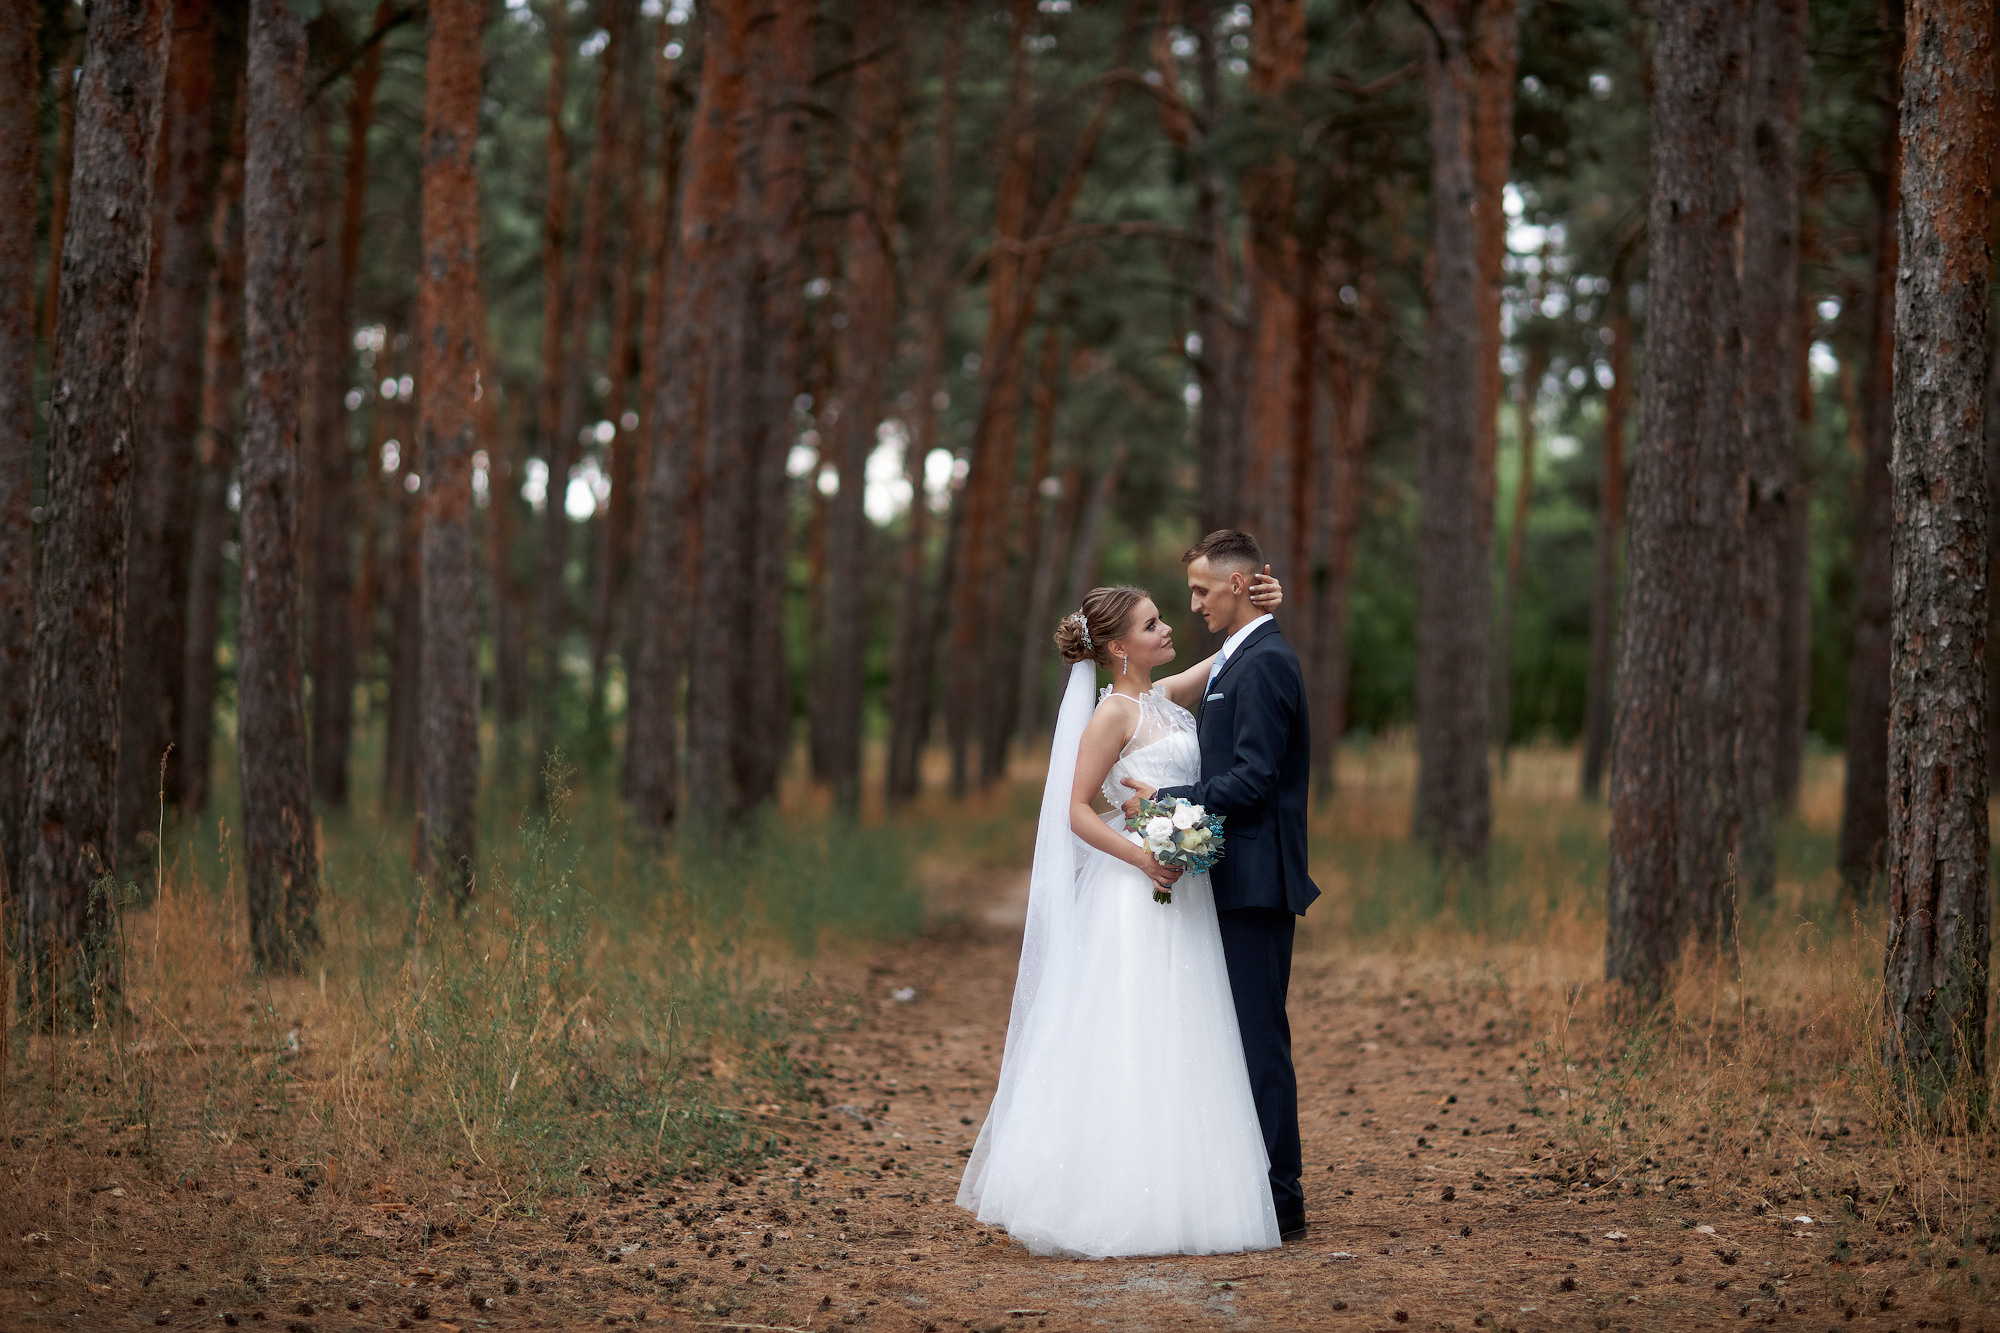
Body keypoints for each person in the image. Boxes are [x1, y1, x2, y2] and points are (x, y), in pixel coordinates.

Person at [956, 570, 1287, 1259]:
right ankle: (1113, 1193)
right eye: (1151, 625)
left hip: (1182, 883)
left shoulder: (1163, 699)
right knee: (1134, 1028)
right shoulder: (1113, 714)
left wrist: (1261, 606)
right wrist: (1142, 855)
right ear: (1117, 649)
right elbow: (1077, 809)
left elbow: (1228, 656)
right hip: (1137, 888)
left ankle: (1189, 1193)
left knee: (1186, 1031)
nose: (1168, 628)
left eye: (1164, 618)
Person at [1121, 529, 1319, 1241]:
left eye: (1203, 589)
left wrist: (1168, 799)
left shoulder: (1264, 664)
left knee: (1260, 1042)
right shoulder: (1242, 654)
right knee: (1239, 1039)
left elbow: (1256, 777)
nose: (1193, 603)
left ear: (1238, 585)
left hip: (1257, 880)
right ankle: (1254, 1191)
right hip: (1232, 876)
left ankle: (1281, 1200)